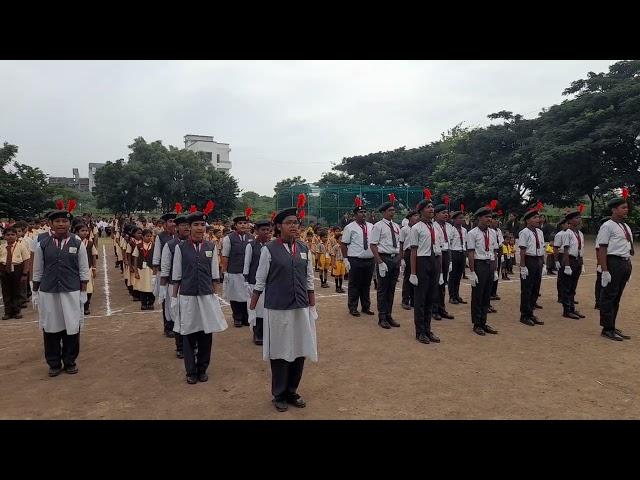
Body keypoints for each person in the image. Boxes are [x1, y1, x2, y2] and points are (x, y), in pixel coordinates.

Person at [249, 207, 317, 412]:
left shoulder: (304, 249)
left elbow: (309, 280)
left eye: (296, 222)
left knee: (299, 348)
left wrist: (312, 305)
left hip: (300, 307)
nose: (294, 226)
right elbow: (260, 281)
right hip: (278, 309)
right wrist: (252, 308)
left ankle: (291, 391)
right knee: (279, 351)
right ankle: (278, 393)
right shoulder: (269, 249)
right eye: (289, 223)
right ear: (279, 227)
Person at [171, 210, 227, 384]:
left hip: (206, 295)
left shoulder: (210, 247)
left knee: (205, 332)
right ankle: (190, 371)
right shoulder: (180, 248)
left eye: (202, 225)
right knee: (188, 333)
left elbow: (214, 274)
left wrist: (214, 294)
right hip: (187, 296)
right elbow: (177, 273)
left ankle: (202, 368)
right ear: (189, 227)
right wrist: (175, 298)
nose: (199, 228)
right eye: (196, 225)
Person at [32, 208, 89, 377]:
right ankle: (54, 362)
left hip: (71, 291)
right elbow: (37, 271)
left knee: (72, 326)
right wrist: (35, 292)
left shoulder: (77, 243)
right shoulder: (42, 244)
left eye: (64, 221)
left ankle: (70, 360)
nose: (61, 224)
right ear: (50, 224)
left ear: (69, 224)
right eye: (57, 221)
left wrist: (83, 292)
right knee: (51, 327)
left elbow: (84, 270)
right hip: (48, 292)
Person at [596, 195, 634, 341]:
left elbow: (627, 246)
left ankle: (612, 324)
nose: (626, 210)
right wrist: (604, 270)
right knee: (609, 296)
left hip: (624, 262)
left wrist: (627, 266)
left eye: (626, 207)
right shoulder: (607, 226)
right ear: (614, 209)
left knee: (616, 297)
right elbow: (602, 249)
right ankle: (607, 328)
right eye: (623, 207)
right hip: (613, 262)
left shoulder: (625, 226)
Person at [407, 199, 441, 344]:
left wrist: (440, 270)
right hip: (422, 262)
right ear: (421, 211)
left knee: (430, 298)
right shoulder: (416, 228)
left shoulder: (436, 227)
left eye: (432, 207)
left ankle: (428, 329)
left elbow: (439, 249)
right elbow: (413, 251)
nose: (432, 209)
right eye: (428, 207)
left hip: (434, 261)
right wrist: (413, 273)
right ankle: (420, 331)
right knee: (420, 299)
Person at [159, 214, 190, 358]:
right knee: (178, 317)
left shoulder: (198, 244)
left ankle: (192, 345)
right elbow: (165, 268)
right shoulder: (170, 245)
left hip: (192, 287)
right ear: (177, 228)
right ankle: (180, 347)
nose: (186, 228)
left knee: (192, 317)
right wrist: (162, 288)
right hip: (174, 286)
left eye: (188, 225)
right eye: (183, 225)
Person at [466, 207, 499, 336]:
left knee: (486, 295)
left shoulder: (493, 233)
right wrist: (472, 272)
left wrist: (495, 269)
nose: (489, 219)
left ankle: (484, 322)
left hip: (489, 264)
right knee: (478, 295)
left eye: (490, 217)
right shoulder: (472, 233)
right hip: (479, 264)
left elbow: (495, 252)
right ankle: (477, 323)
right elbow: (471, 253)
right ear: (480, 218)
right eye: (486, 217)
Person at [369, 201, 401, 329]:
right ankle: (382, 317)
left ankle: (389, 315)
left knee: (391, 289)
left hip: (395, 258)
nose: (393, 212)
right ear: (383, 212)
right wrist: (380, 262)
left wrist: (400, 258)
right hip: (384, 258)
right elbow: (373, 245)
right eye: (390, 210)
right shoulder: (378, 226)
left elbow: (399, 243)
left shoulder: (397, 226)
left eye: (393, 210)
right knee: (383, 290)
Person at [340, 199, 375, 317]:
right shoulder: (350, 227)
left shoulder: (371, 226)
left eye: (365, 212)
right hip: (355, 259)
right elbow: (344, 243)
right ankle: (353, 307)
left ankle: (366, 307)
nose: (364, 214)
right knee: (354, 284)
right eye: (361, 212)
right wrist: (345, 259)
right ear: (355, 215)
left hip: (369, 259)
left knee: (366, 284)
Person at [243, 219, 272, 345]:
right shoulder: (251, 246)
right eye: (263, 230)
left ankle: (268, 333)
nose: (266, 232)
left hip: (269, 283)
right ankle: (258, 333)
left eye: (268, 230)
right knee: (258, 310)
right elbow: (246, 265)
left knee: (268, 309)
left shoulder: (272, 246)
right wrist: (247, 282)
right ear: (256, 231)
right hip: (254, 283)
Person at [222, 214, 252, 328]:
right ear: (235, 225)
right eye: (240, 223)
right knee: (234, 295)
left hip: (247, 272)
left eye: (245, 223)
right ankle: (237, 317)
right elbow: (225, 256)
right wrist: (225, 272)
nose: (243, 225)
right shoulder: (229, 238)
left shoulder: (251, 238)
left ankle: (245, 317)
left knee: (246, 295)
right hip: (234, 271)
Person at [518, 209, 545, 326]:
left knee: (536, 288)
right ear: (528, 220)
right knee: (527, 289)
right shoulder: (524, 232)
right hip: (529, 260)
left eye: (538, 217)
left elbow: (542, 248)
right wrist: (523, 266)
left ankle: (531, 312)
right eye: (534, 218)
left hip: (538, 260)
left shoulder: (540, 232)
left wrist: (543, 264)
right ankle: (524, 315)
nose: (537, 220)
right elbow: (523, 251)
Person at [152, 212, 177, 334]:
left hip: (178, 275)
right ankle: (168, 327)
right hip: (164, 273)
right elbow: (156, 257)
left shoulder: (180, 237)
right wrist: (155, 275)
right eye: (170, 221)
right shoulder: (160, 237)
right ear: (165, 224)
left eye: (174, 221)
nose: (173, 224)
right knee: (166, 300)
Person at [559, 209, 586, 320]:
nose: (579, 220)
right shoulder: (567, 233)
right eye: (576, 218)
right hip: (569, 260)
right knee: (567, 286)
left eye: (579, 217)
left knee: (573, 286)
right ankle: (567, 310)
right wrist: (567, 265)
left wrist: (582, 263)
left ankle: (572, 307)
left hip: (577, 260)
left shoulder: (580, 233)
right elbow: (566, 249)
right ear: (570, 220)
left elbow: (581, 248)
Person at [0, 226, 31, 320]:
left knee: (17, 291)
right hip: (4, 269)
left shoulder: (21, 246)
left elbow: (26, 260)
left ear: (16, 236)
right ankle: (8, 312)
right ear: (4, 236)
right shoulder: (1, 247)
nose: (10, 237)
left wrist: (25, 273)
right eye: (8, 235)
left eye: (12, 235)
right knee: (6, 292)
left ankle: (17, 311)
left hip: (17, 269)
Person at [432, 205, 454, 320]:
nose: (446, 215)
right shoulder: (433, 226)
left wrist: (449, 260)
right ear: (435, 214)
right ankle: (434, 310)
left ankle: (442, 308)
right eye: (443, 213)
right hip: (436, 255)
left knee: (443, 282)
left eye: (447, 213)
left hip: (446, 254)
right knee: (436, 283)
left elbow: (449, 244)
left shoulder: (449, 227)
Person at [75, 223, 96, 315]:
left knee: (88, 288)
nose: (85, 233)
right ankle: (78, 306)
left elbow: (93, 255)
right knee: (77, 288)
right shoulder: (74, 243)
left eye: (86, 231)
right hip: (75, 269)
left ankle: (86, 306)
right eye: (82, 231)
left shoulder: (90, 243)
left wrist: (94, 268)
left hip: (88, 268)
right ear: (77, 232)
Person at [132, 229, 156, 310]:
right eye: (147, 236)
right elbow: (135, 258)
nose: (149, 238)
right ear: (143, 236)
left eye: (150, 236)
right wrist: (136, 271)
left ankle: (151, 302)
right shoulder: (139, 246)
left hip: (151, 270)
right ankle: (144, 303)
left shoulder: (154, 245)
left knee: (151, 286)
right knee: (143, 287)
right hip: (141, 270)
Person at [400, 210, 419, 309]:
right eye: (415, 215)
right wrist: (402, 258)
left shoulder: (418, 228)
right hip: (408, 253)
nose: (417, 217)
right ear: (410, 217)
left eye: (417, 215)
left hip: (417, 252)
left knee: (415, 276)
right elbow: (401, 244)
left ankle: (413, 300)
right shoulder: (404, 229)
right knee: (408, 276)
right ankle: (405, 300)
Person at [448, 211, 468, 304]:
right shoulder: (451, 230)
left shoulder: (464, 230)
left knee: (459, 276)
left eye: (462, 218)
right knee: (452, 276)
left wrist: (466, 254)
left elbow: (465, 243)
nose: (462, 220)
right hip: (454, 252)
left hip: (462, 253)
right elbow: (449, 244)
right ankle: (452, 296)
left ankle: (457, 295)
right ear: (455, 219)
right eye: (460, 218)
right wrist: (450, 259)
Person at [594, 216, 610, 310]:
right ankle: (598, 302)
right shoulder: (601, 235)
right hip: (602, 262)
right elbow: (598, 250)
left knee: (607, 283)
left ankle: (603, 301)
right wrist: (600, 264)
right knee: (600, 282)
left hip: (609, 261)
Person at [553, 217, 569, 303]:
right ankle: (561, 296)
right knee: (562, 277)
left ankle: (569, 296)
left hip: (571, 256)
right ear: (562, 225)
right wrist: (556, 260)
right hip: (562, 255)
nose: (568, 225)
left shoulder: (573, 233)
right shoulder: (559, 234)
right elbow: (556, 248)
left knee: (570, 278)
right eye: (566, 223)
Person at [489, 216, 504, 303]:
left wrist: (501, 255)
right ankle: (490, 293)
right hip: (490, 253)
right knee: (490, 274)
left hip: (497, 252)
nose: (496, 221)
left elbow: (501, 244)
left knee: (496, 273)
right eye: (495, 219)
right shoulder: (490, 231)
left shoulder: (498, 231)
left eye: (497, 219)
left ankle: (494, 292)